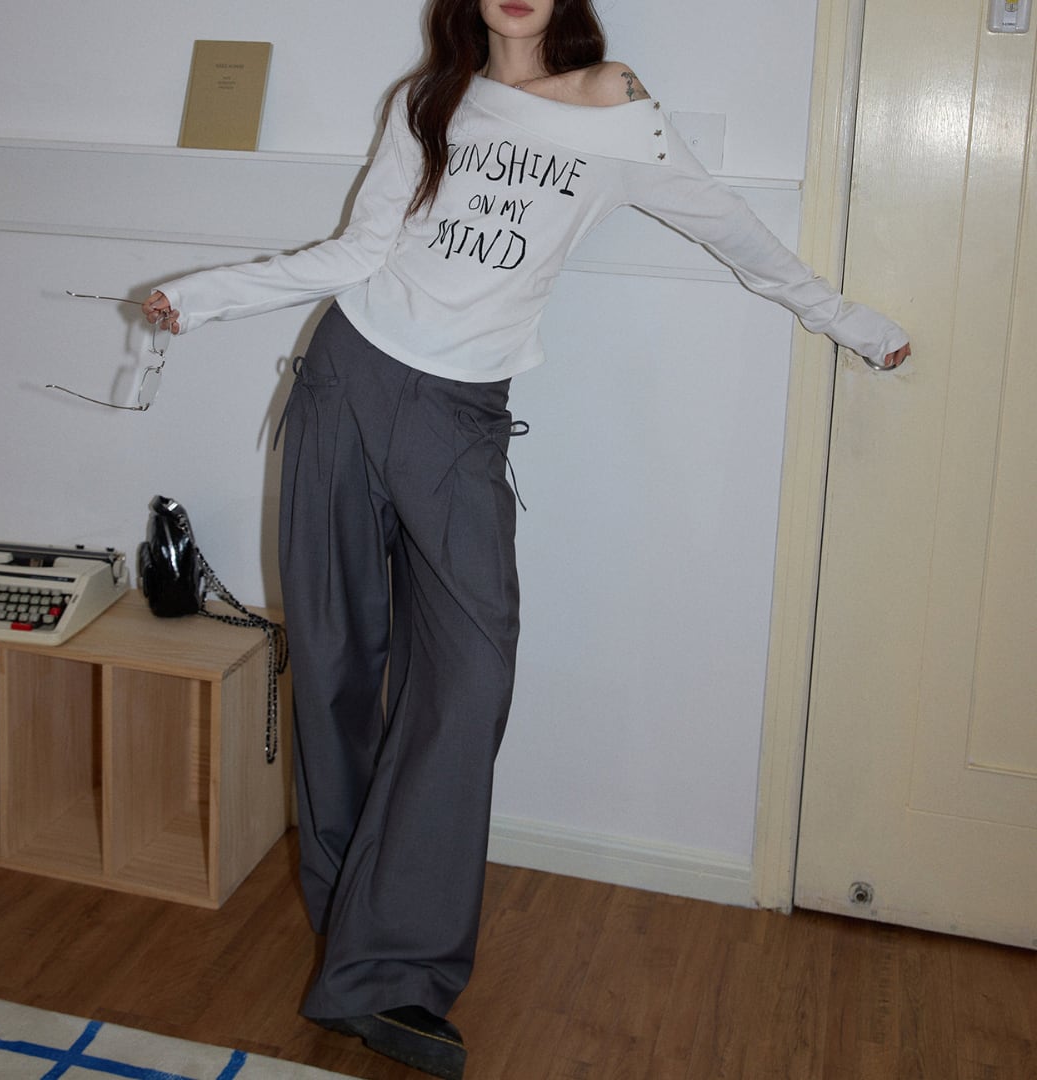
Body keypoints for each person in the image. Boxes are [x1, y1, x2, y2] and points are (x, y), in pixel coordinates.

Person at [142, 1, 910, 1076]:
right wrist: (199, 297)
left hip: (459, 422)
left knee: (468, 680)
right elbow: (359, 251)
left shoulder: (616, 104)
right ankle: (358, 942)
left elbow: (730, 227)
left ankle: (388, 967)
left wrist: (850, 322)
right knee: (333, 665)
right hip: (346, 384)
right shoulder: (428, 99)